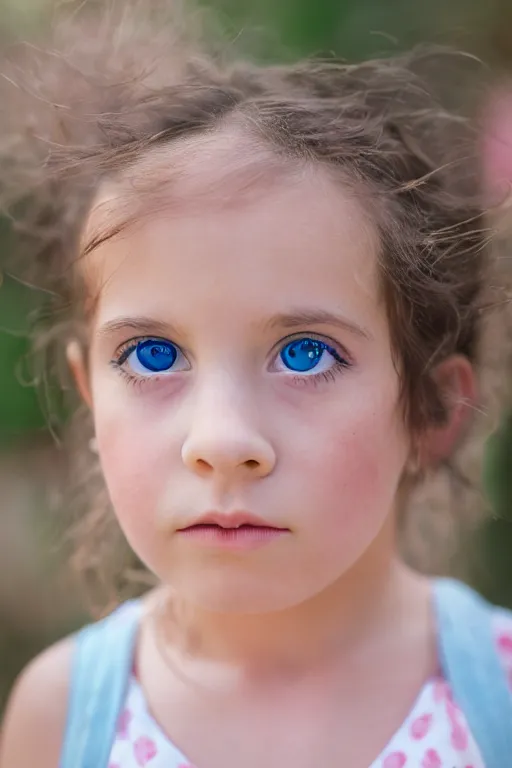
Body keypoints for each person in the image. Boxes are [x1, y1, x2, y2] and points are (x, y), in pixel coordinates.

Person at [1, 4, 512, 767]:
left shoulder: (496, 696)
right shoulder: (66, 719)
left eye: (305, 354)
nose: (222, 442)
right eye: (151, 355)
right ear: (88, 400)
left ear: (433, 410)